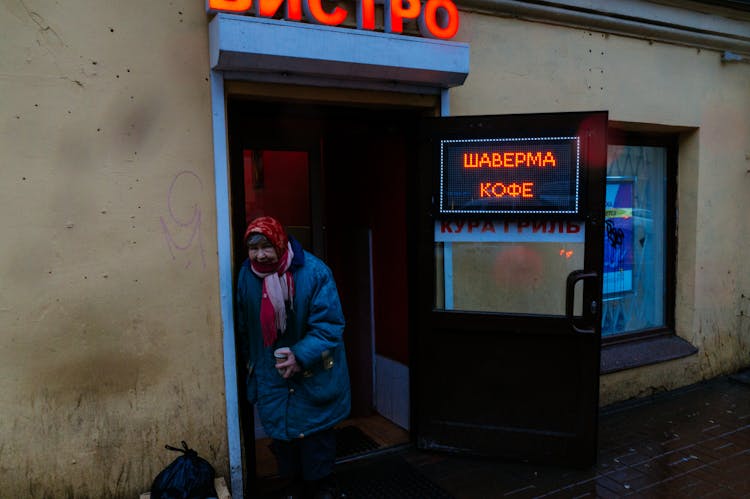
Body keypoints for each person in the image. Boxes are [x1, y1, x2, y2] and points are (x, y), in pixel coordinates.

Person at [236, 216, 351, 499]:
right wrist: (251, 368)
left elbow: (329, 326)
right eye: (253, 248)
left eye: (266, 246)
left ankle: (324, 488)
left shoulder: (314, 272)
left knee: (316, 441)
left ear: (280, 242)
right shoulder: (246, 275)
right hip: (271, 373)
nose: (260, 255)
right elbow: (243, 326)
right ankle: (295, 487)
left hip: (313, 372)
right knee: (284, 440)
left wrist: (300, 354)